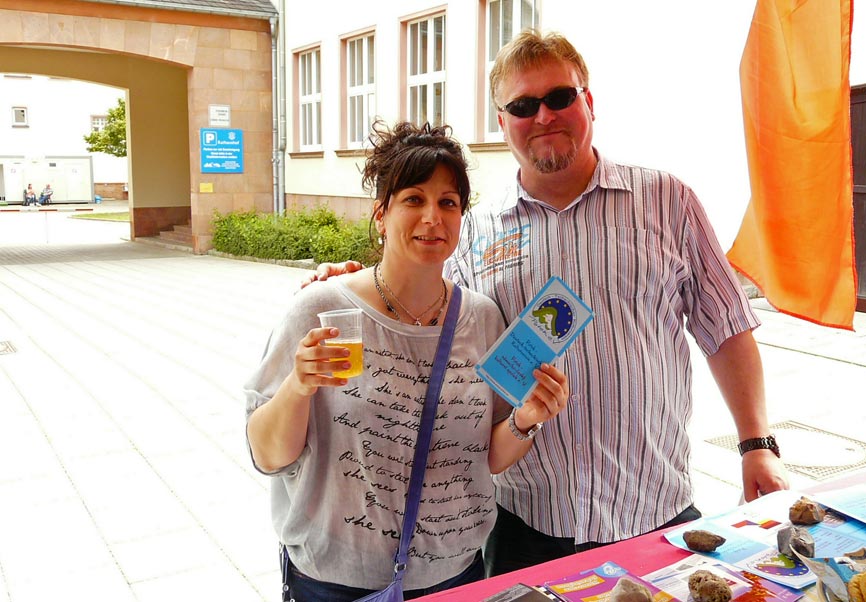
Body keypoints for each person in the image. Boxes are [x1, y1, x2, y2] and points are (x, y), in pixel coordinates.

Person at [305, 29, 790, 577]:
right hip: (525, 522)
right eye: (523, 105)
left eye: (560, 97)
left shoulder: (667, 201)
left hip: (653, 508)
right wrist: (355, 283)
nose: (544, 116)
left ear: (589, 101)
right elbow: (421, 309)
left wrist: (756, 444)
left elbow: (725, 327)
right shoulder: (476, 231)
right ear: (502, 120)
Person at [244, 120, 569, 600]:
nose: (432, 217)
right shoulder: (320, 308)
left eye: (448, 203)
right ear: (381, 214)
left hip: (453, 575)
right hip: (336, 579)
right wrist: (298, 385)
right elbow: (268, 456)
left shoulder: (481, 319)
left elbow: (489, 458)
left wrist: (528, 418)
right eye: (414, 199)